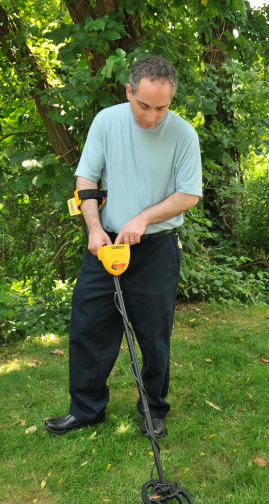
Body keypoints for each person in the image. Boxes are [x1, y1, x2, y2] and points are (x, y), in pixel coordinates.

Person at [44, 55, 202, 438]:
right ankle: (86, 410)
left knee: (154, 334)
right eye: (143, 106)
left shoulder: (183, 134)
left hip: (156, 251)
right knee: (89, 328)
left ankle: (152, 409)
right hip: (105, 246)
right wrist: (93, 230)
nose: (151, 117)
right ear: (129, 91)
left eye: (161, 108)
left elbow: (189, 194)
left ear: (172, 99)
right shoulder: (107, 121)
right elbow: (87, 176)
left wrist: (143, 218)